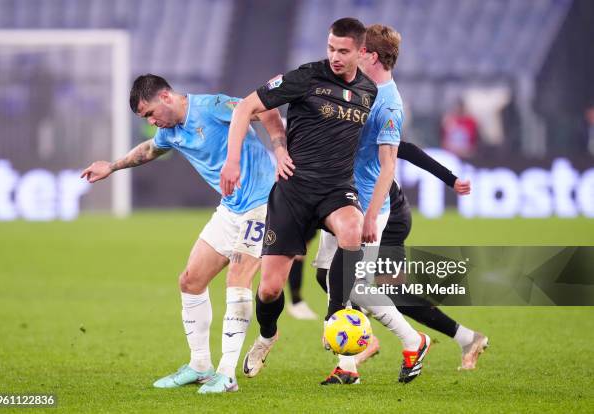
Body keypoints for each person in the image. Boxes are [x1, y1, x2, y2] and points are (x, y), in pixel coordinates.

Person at [221, 17, 428, 380]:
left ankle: (335, 318)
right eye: (330, 48)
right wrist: (261, 150)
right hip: (294, 189)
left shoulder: (370, 92)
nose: (334, 56)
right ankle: (267, 335)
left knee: (350, 230)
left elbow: (388, 154)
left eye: (343, 51)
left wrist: (370, 215)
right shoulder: (306, 77)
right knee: (269, 289)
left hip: (336, 189)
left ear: (361, 52)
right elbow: (245, 108)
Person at [81, 74, 286, 394]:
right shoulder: (170, 131)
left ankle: (227, 374)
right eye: (144, 118)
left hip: (263, 203)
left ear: (165, 97)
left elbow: (267, 112)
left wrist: (281, 150)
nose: (151, 122)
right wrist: (113, 166)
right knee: (190, 280)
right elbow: (150, 149)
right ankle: (200, 365)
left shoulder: (213, 106)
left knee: (237, 278)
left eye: (150, 113)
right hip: (231, 209)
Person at [315, 24, 487, 385]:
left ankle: (400, 345)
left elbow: (396, 155)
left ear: (370, 56)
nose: (348, 55)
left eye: (357, 50)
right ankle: (449, 338)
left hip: (376, 207)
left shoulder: (387, 102)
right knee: (331, 276)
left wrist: (372, 215)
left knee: (367, 285)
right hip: (343, 200)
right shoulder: (357, 87)